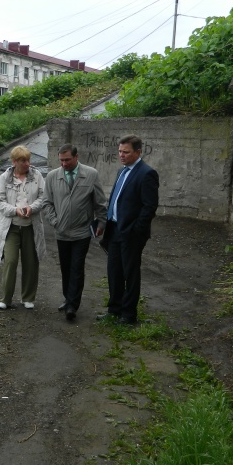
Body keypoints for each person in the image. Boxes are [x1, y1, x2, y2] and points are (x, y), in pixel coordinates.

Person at [42, 144, 107, 321]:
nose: (64, 164)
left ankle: (72, 305)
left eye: (67, 160)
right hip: (61, 232)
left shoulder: (90, 174)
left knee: (76, 267)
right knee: (65, 267)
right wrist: (55, 221)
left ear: (76, 157)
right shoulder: (52, 177)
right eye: (61, 160)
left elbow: (99, 203)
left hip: (82, 232)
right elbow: (46, 203)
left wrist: (102, 222)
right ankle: (68, 298)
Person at [99, 135, 159, 325]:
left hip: (131, 233)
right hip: (115, 229)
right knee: (114, 271)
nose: (121, 155)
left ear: (138, 152)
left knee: (130, 273)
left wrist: (136, 230)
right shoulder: (122, 171)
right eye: (120, 151)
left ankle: (128, 315)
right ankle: (114, 309)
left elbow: (149, 207)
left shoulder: (146, 173)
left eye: (126, 152)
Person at [0, 145, 46, 310]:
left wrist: (32, 208)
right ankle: (6, 299)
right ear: (14, 161)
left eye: (28, 160)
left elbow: (43, 197)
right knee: (10, 261)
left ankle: (28, 298)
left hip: (31, 226)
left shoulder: (36, 175)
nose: (27, 164)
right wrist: (15, 210)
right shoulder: (5, 177)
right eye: (23, 161)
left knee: (31, 262)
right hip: (11, 227)